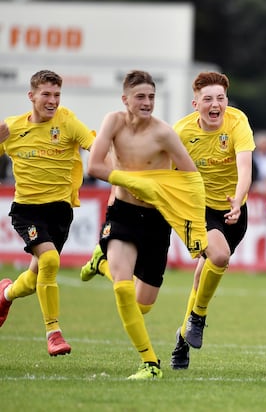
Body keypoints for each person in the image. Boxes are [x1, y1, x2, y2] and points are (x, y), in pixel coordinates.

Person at [87, 70, 207, 380]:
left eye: (151, 97)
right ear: (124, 99)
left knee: (142, 305)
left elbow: (191, 179)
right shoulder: (112, 122)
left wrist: (194, 226)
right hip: (123, 213)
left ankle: (101, 264)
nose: (147, 102)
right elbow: (95, 165)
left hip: (156, 220)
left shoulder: (164, 133)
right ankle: (150, 364)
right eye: (140, 96)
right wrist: (132, 182)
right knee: (124, 289)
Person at [0, 69, 95, 356]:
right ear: (31, 96)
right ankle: (53, 333)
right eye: (46, 94)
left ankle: (4, 295)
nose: (52, 100)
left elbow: (95, 146)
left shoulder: (67, 122)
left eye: (56, 95)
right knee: (50, 259)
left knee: (33, 279)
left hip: (60, 212)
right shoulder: (12, 128)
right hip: (27, 211)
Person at [168, 71, 255, 369]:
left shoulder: (237, 122)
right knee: (219, 255)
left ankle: (182, 341)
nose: (215, 104)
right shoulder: (180, 132)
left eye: (220, 98)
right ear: (196, 104)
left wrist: (239, 199)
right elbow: (167, 175)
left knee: (201, 275)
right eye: (208, 99)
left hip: (233, 211)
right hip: (197, 210)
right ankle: (198, 317)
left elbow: (245, 167)